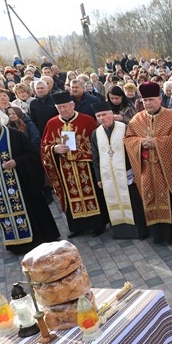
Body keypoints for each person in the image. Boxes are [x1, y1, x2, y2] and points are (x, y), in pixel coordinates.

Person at [0, 106, 60, 253]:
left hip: (21, 183)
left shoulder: (13, 135)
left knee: (31, 210)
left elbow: (32, 154)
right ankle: (15, 243)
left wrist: (17, 162)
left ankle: (37, 240)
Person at [124, 82, 172, 244]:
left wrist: (157, 143)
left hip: (170, 168)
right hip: (148, 169)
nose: (148, 103)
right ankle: (160, 235)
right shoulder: (136, 120)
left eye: (151, 100)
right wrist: (140, 143)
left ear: (160, 99)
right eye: (145, 101)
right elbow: (129, 139)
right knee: (151, 199)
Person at [40, 92, 108, 238]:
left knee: (94, 194)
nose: (62, 110)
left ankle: (98, 224)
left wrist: (83, 153)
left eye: (65, 106)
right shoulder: (52, 123)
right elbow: (44, 146)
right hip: (66, 169)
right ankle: (77, 227)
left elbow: (97, 143)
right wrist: (54, 149)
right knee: (71, 197)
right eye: (59, 107)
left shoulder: (87, 120)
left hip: (86, 166)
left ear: (72, 105)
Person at [91, 107, 147, 240]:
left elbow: (134, 150)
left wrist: (134, 171)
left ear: (111, 114)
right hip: (108, 176)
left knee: (133, 202)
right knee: (113, 201)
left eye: (104, 114)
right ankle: (119, 232)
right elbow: (95, 157)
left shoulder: (125, 128)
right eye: (98, 116)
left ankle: (140, 231)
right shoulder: (96, 133)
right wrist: (99, 177)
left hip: (126, 173)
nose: (102, 118)